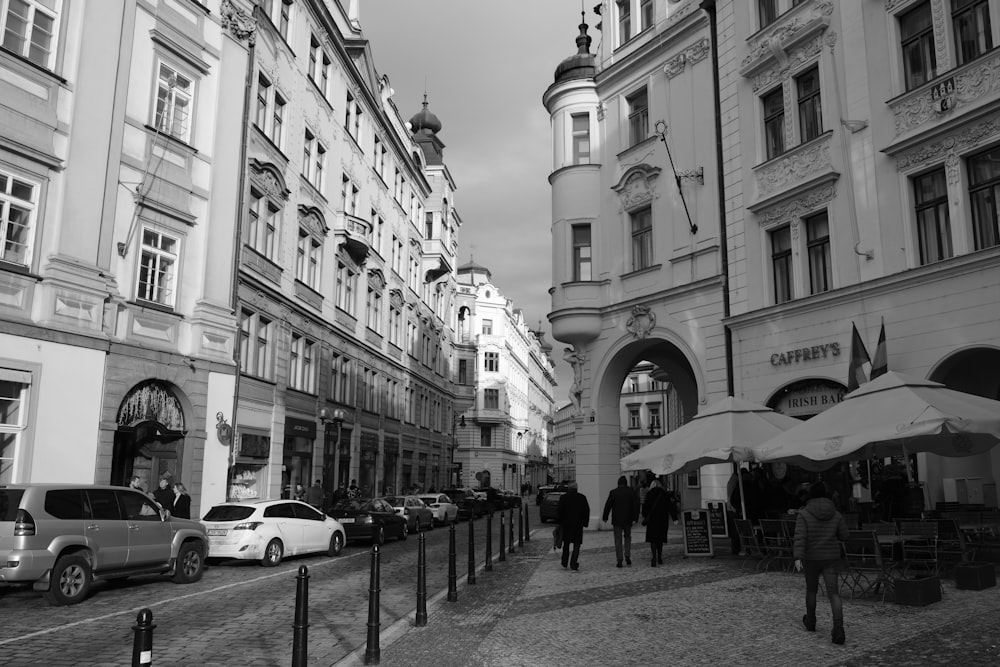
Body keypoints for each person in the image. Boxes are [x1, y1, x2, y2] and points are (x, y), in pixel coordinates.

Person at [793, 482, 849, 645]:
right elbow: (845, 535)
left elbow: (800, 537)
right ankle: (838, 629)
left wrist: (798, 557)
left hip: (811, 558)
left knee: (811, 591)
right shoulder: (836, 514)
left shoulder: (804, 514)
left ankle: (811, 621)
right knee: (834, 594)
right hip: (830, 557)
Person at [602, 475, 640, 567]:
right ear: (626, 483)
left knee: (618, 540)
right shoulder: (631, 492)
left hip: (617, 520)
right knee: (627, 537)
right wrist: (635, 518)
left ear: (618, 483)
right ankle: (627, 555)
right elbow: (636, 505)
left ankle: (619, 559)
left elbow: (608, 505)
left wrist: (605, 517)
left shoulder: (613, 492)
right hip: (628, 520)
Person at [642, 479, 678, 567]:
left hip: (652, 521)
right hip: (662, 520)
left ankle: (653, 556)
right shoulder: (664, 494)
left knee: (653, 539)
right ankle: (659, 557)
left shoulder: (649, 494)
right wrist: (675, 518)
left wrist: (645, 516)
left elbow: (645, 508)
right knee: (660, 539)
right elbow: (670, 507)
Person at [556, 481, 590, 571]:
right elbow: (587, 511)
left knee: (566, 544)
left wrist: (559, 522)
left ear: (568, 488)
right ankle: (573, 563)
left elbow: (559, 511)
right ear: (576, 488)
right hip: (578, 525)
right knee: (577, 545)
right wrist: (585, 523)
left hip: (566, 525)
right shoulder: (582, 498)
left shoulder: (563, 498)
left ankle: (564, 561)